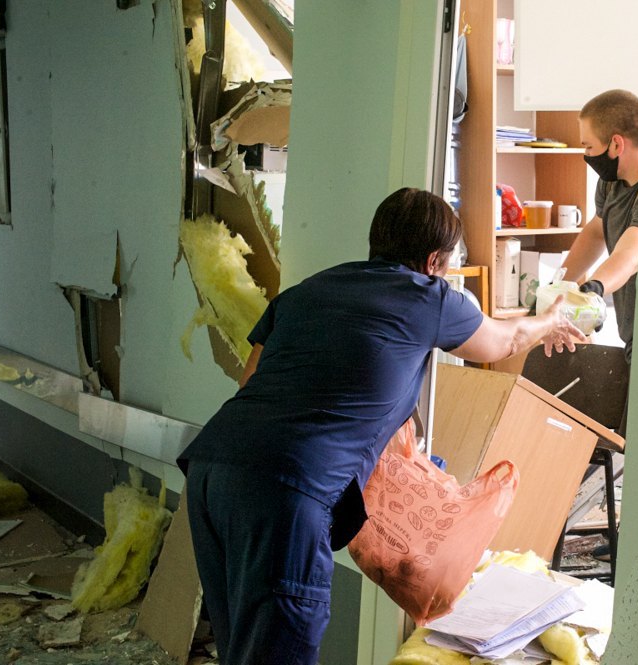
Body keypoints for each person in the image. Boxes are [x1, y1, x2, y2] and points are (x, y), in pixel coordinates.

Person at [177, 188, 586, 665]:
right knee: (278, 650)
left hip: (213, 469)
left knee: (241, 647)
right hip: (286, 493)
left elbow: (251, 379)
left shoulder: (307, 291)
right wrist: (548, 320)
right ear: (435, 260)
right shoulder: (430, 297)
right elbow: (505, 339)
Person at [553, 89, 638, 366]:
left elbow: (631, 255)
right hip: (631, 336)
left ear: (616, 144)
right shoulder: (611, 183)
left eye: (589, 146)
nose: (586, 155)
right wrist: (559, 286)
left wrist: (594, 288)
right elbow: (596, 232)